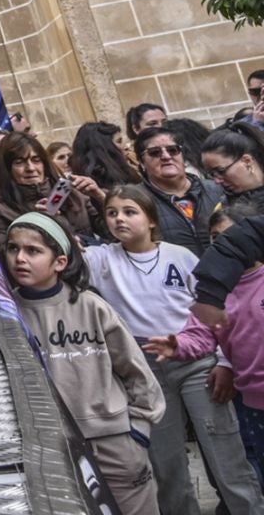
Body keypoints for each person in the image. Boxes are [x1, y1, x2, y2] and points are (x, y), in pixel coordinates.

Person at [88, 187, 261, 515]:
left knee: (225, 450)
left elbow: (215, 310)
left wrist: (223, 361)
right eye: (112, 213)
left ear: (151, 219)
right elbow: (67, 255)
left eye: (129, 211)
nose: (119, 218)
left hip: (197, 361)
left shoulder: (181, 257)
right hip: (144, 368)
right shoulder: (102, 259)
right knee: (166, 461)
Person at [3, 212, 164, 515]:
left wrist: (138, 429)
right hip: (51, 449)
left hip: (114, 440)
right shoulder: (5, 314)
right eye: (13, 248)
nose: (20, 258)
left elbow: (135, 371)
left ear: (60, 261)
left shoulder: (91, 306)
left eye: (33, 251)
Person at [167, 195, 264, 490]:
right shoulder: (212, 293)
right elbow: (199, 334)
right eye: (215, 240)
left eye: (229, 239)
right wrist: (177, 346)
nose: (222, 248)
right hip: (253, 404)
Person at [0, 130, 105, 253]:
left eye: (36, 160)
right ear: (7, 169)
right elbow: (4, 254)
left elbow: (109, 232)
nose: (30, 168)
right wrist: (39, 226)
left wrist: (100, 197)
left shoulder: (70, 190)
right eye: (19, 162)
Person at [139, 126, 223, 256]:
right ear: (142, 163)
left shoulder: (217, 189)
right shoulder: (136, 201)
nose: (166, 156)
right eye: (155, 152)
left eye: (173, 150)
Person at [72, 121, 141, 189]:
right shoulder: (99, 183)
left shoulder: (130, 168)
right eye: (119, 141)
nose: (126, 147)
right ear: (104, 149)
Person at [203, 122, 264, 198]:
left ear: (247, 161)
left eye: (221, 171)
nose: (217, 181)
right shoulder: (223, 205)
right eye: (212, 174)